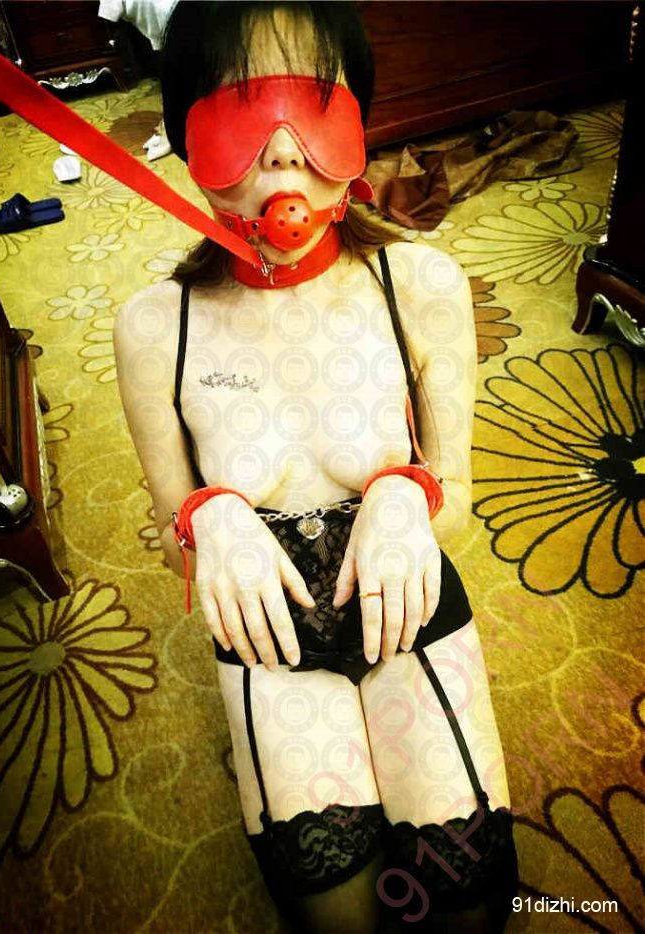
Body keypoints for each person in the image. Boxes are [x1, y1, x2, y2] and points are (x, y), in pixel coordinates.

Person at [114, 2, 518, 931]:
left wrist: (407, 492)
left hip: (409, 614)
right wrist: (207, 518)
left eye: (313, 107)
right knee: (337, 911)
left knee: (468, 899)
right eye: (240, 111)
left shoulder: (420, 285)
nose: (283, 154)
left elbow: (457, 492)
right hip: (272, 646)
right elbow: (174, 535)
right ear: (184, 137)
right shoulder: (155, 329)